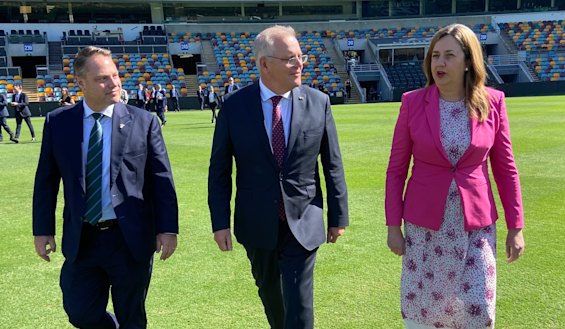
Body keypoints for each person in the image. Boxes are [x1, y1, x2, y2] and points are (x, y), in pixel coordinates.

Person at [208, 25, 349, 329]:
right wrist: (220, 222)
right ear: (264, 64)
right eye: (289, 59)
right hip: (257, 223)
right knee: (273, 299)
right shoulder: (234, 107)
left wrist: (338, 216)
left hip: (303, 219)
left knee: (299, 308)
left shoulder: (318, 102)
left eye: (300, 57)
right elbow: (219, 170)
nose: (298, 64)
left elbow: (332, 164)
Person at [385, 24, 525, 329]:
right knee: (425, 311)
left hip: (475, 227)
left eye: (449, 55)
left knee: (477, 308)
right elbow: (396, 170)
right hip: (425, 230)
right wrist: (393, 226)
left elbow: (506, 169)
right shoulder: (412, 103)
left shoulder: (493, 102)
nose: (439, 63)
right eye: (435, 55)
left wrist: (516, 227)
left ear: (468, 61)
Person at [32, 46, 178, 329]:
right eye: (102, 78)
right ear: (81, 82)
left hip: (129, 239)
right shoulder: (58, 122)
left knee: (132, 317)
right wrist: (42, 229)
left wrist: (168, 228)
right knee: (80, 313)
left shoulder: (144, 121)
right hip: (82, 238)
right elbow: (46, 181)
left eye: (115, 75)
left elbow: (162, 180)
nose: (114, 83)